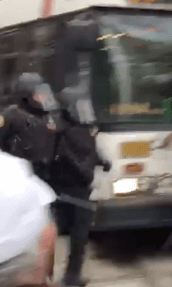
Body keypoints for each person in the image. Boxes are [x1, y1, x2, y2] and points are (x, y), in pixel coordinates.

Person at [49, 86, 111, 287]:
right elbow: (71, 158)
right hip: (70, 188)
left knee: (78, 234)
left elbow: (90, 150)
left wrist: (102, 161)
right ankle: (69, 276)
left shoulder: (80, 128)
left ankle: (71, 275)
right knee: (76, 233)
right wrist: (87, 172)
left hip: (78, 188)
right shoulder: (62, 130)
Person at [0, 148, 57, 287]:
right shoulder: (14, 166)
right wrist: (42, 272)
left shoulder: (15, 166)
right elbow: (49, 231)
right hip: (19, 268)